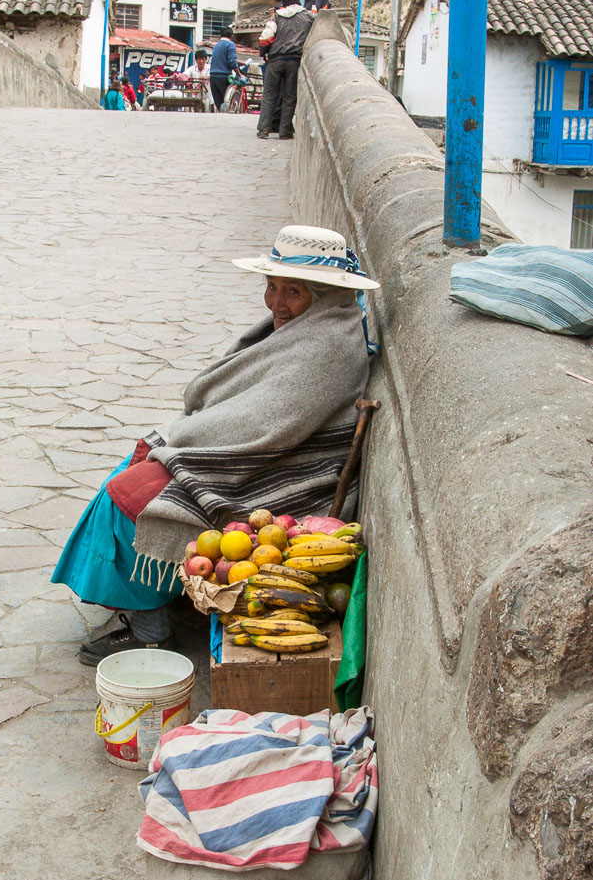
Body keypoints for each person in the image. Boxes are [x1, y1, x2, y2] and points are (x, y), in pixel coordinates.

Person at [51, 224, 379, 665]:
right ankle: (155, 596)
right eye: (271, 287)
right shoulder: (318, 323)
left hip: (280, 471)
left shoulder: (328, 347)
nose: (276, 303)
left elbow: (267, 424)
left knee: (134, 496)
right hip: (270, 452)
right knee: (134, 466)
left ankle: (151, 630)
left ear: (322, 293)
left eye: (293, 292)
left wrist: (181, 438)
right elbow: (255, 406)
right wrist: (178, 438)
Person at [256, 0, 314, 141]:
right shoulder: (308, 16)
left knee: (269, 95)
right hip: (294, 61)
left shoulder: (277, 16)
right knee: (289, 96)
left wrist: (264, 53)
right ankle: (285, 130)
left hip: (275, 60)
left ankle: (263, 129)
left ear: (285, 3)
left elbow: (265, 38)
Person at [208, 27, 238, 112]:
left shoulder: (216, 46)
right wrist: (239, 73)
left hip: (213, 77)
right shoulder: (230, 44)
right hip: (223, 77)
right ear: (231, 36)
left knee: (219, 104)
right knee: (227, 104)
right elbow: (232, 63)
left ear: (220, 35)